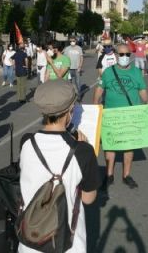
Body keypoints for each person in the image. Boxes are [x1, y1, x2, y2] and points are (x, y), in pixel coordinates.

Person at [19, 80, 100, 253]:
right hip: (67, 243)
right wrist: (83, 147)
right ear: (70, 111)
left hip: (29, 239)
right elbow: (88, 198)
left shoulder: (26, 142)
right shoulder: (83, 151)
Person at [93, 43, 148, 189]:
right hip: (111, 115)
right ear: (116, 55)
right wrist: (95, 105)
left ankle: (126, 175)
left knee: (129, 147)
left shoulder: (136, 72)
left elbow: (142, 90)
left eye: (127, 54)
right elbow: (99, 90)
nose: (124, 57)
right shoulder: (108, 72)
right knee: (109, 148)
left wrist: (147, 102)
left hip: (130, 116)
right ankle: (109, 175)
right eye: (121, 54)